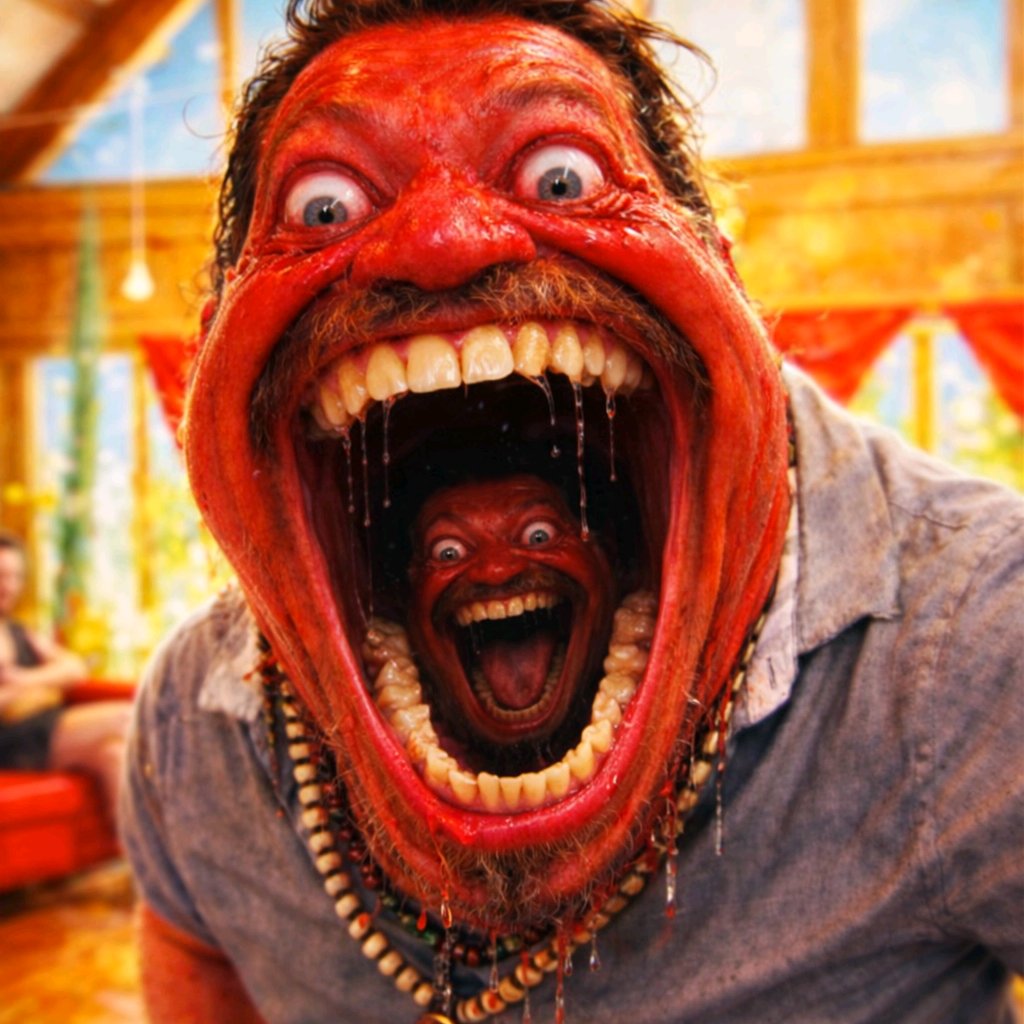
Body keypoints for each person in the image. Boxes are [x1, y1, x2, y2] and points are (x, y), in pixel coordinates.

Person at [121, 1, 1024, 1022]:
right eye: (323, 206)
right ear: (209, 360)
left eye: (563, 177)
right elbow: (194, 953)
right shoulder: (196, 723)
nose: (443, 238)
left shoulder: (980, 641)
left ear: (723, 280)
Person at [0, 531, 131, 823]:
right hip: (10, 740)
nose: (7, 586)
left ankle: (135, 847)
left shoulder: (18, 631)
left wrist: (23, 682)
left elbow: (74, 668)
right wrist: (44, 687)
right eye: (1, 576)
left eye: (14, 576)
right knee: (126, 718)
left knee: (114, 753)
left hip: (42, 724)